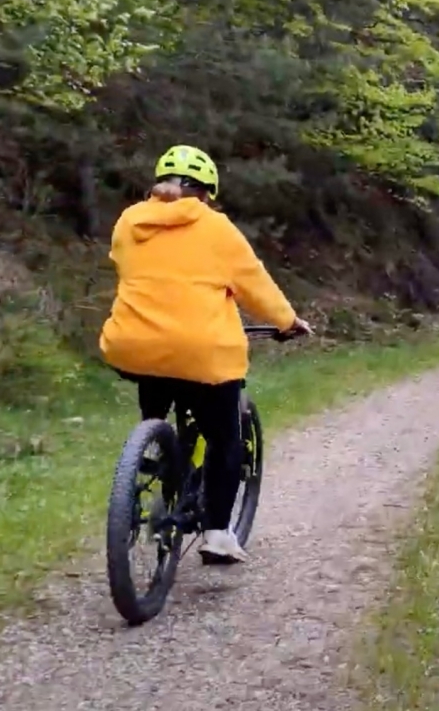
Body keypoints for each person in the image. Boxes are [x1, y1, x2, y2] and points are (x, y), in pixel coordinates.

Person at [99, 144, 312, 564]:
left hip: (134, 346)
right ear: (207, 192)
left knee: (157, 401)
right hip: (200, 352)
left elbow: (129, 267)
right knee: (226, 439)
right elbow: (254, 284)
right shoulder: (216, 228)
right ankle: (217, 534)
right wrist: (288, 321)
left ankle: (157, 455)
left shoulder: (128, 221)